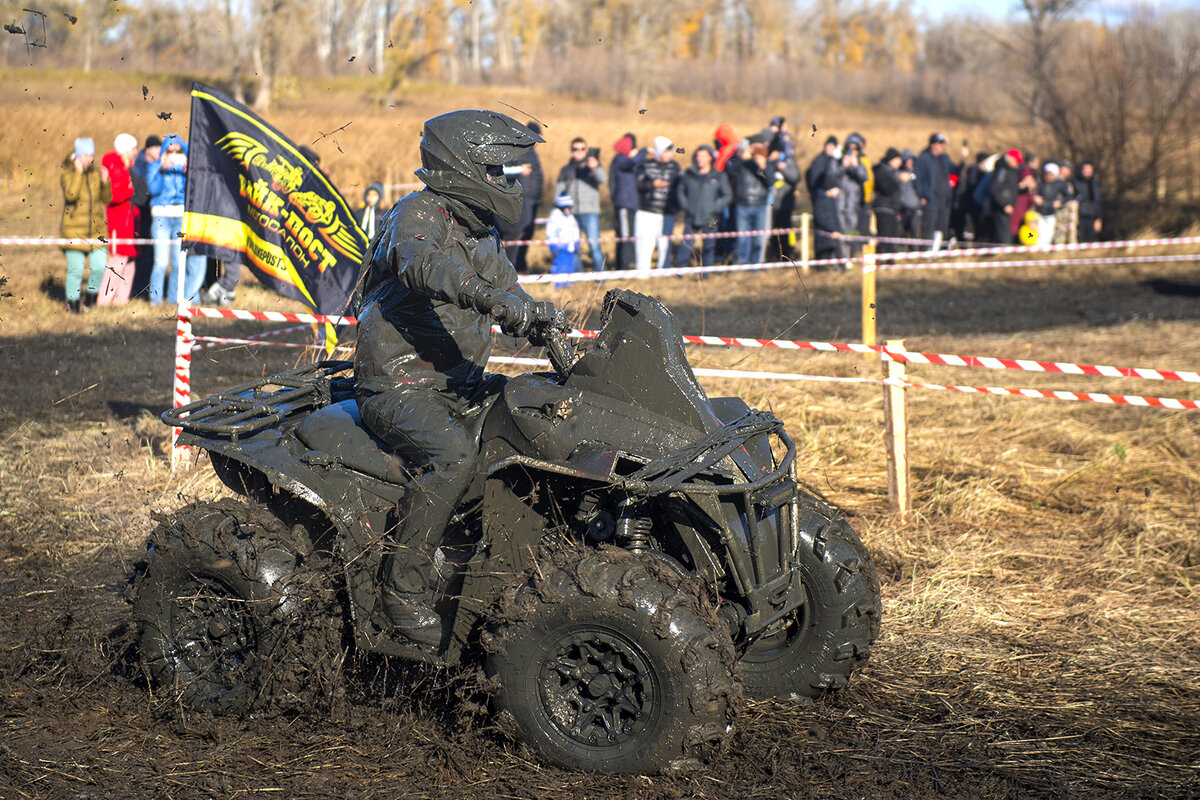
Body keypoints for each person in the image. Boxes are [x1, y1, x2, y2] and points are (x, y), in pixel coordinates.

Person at [352, 110, 556, 645]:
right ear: (464, 167)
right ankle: (403, 591)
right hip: (398, 386)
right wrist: (489, 299)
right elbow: (425, 268)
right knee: (453, 459)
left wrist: (552, 329)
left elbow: (513, 294)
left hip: (458, 383)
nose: (507, 183)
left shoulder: (483, 233)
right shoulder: (416, 216)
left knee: (537, 420)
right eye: (497, 172)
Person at [146, 134, 206, 306]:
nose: (173, 154)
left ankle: (174, 299)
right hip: (161, 216)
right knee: (161, 261)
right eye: (169, 150)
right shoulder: (155, 167)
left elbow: (192, 192)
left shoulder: (185, 167)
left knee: (178, 261)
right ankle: (155, 300)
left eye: (177, 150)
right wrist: (162, 170)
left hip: (180, 215)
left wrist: (189, 173)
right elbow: (154, 189)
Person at [59, 137, 111, 313]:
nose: (90, 159)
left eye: (92, 155)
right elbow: (71, 195)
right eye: (86, 155)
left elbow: (106, 199)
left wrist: (105, 183)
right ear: (78, 156)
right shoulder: (67, 174)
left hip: (97, 232)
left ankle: (90, 301)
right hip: (73, 232)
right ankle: (72, 306)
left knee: (98, 267)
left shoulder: (96, 173)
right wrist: (78, 173)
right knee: (75, 270)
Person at [97, 134, 140, 306]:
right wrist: (130, 191)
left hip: (128, 221)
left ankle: (121, 301)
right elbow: (113, 196)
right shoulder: (115, 168)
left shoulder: (126, 167)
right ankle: (104, 300)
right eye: (133, 148)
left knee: (129, 262)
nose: (136, 151)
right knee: (118, 261)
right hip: (118, 222)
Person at [496, 120, 543, 272]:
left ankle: (520, 265)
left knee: (526, 233)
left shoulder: (531, 151)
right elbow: (502, 169)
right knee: (517, 232)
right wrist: (519, 170)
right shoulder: (518, 149)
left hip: (534, 198)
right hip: (523, 197)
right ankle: (510, 267)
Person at [674, 145, 731, 267]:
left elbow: (727, 195)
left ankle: (706, 274)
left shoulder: (719, 176)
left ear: (710, 158)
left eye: (703, 156)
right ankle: (679, 272)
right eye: (698, 156)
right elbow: (680, 190)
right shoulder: (689, 174)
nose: (700, 159)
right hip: (691, 217)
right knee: (686, 245)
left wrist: (716, 207)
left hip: (710, 219)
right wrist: (685, 205)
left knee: (709, 247)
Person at [554, 136, 606, 271]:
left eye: (582, 149)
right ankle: (577, 275)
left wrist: (594, 168)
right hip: (571, 213)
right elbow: (559, 190)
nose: (579, 151)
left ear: (587, 150)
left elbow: (603, 179)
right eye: (575, 149)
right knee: (573, 246)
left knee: (594, 246)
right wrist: (562, 207)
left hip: (590, 212)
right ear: (571, 150)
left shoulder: (592, 165)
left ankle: (600, 276)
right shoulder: (566, 169)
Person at [634, 136, 681, 272]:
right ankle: (642, 273)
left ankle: (663, 272)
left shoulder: (675, 167)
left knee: (665, 244)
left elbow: (678, 188)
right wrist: (652, 185)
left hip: (667, 212)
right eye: (666, 151)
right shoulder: (645, 164)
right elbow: (638, 185)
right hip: (647, 211)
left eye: (670, 151)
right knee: (645, 244)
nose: (669, 154)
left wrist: (676, 207)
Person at [729, 141, 776, 265]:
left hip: (760, 205)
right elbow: (730, 170)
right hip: (742, 204)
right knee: (742, 238)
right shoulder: (743, 164)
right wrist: (742, 158)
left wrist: (762, 167)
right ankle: (740, 264)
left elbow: (770, 181)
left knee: (759, 239)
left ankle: (755, 266)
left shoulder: (766, 167)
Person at [608, 132, 641, 270]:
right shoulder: (620, 160)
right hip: (624, 204)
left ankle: (625, 263)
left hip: (631, 204)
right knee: (625, 234)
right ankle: (624, 265)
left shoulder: (623, 161)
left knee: (628, 234)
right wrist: (643, 152)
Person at [915, 132, 952, 246]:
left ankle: (938, 251)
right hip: (930, 199)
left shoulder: (945, 159)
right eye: (939, 144)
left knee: (942, 227)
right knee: (928, 227)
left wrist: (963, 159)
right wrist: (921, 195)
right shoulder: (923, 158)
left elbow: (954, 171)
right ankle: (926, 252)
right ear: (933, 144)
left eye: (943, 144)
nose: (942, 147)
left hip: (944, 199)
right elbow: (916, 177)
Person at [871, 148, 905, 254]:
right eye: (898, 160)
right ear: (891, 160)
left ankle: (889, 261)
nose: (900, 162)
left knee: (892, 237)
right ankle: (881, 260)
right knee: (884, 237)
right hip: (883, 208)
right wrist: (898, 179)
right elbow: (887, 188)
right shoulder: (882, 171)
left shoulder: (892, 172)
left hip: (892, 208)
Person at [989, 149, 1023, 245]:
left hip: (1009, 208)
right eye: (1016, 161)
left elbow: (1010, 187)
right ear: (1010, 159)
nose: (1017, 164)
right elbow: (995, 189)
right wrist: (1005, 204)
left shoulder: (1011, 171)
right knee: (1004, 238)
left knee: (1004, 235)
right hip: (1002, 208)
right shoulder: (1002, 170)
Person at [546, 193, 580, 288]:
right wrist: (556, 245)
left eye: (569, 207)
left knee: (569, 265)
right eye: (564, 208)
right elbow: (551, 233)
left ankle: (567, 283)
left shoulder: (570, 217)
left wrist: (576, 242)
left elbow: (575, 230)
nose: (567, 210)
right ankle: (558, 285)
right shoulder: (555, 217)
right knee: (560, 265)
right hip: (559, 247)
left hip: (571, 246)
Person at [1035, 162, 1067, 246]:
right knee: (1036, 234)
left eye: (1051, 174)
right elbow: (1033, 192)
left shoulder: (1060, 184)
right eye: (1047, 174)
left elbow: (1068, 196)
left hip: (1051, 212)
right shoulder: (1040, 182)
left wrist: (1060, 203)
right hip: (1039, 212)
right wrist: (1036, 198)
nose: (1048, 177)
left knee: (1048, 234)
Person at [1075, 161, 1103, 242]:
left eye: (1089, 169)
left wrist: (1098, 218)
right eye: (1085, 169)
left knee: (1092, 240)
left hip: (1092, 217)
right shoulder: (1076, 183)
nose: (1087, 171)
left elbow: (1098, 202)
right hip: (1080, 216)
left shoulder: (1095, 184)